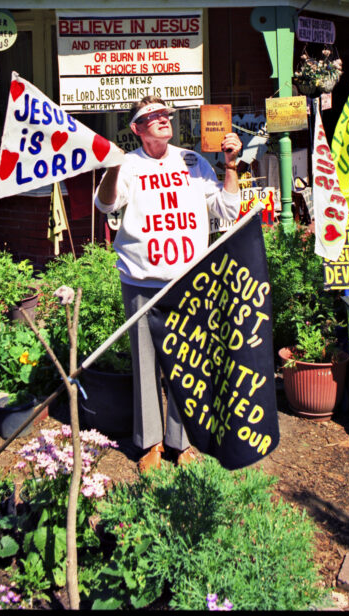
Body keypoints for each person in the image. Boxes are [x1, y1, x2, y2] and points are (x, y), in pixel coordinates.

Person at [95, 96, 243, 472]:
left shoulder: (194, 162)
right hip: (141, 281)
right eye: (152, 116)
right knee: (145, 366)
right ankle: (150, 444)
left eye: (166, 114)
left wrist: (230, 167)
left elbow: (226, 211)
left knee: (187, 366)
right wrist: (111, 166)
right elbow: (107, 205)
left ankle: (183, 442)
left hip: (188, 282)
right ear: (137, 129)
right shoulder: (127, 165)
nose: (162, 119)